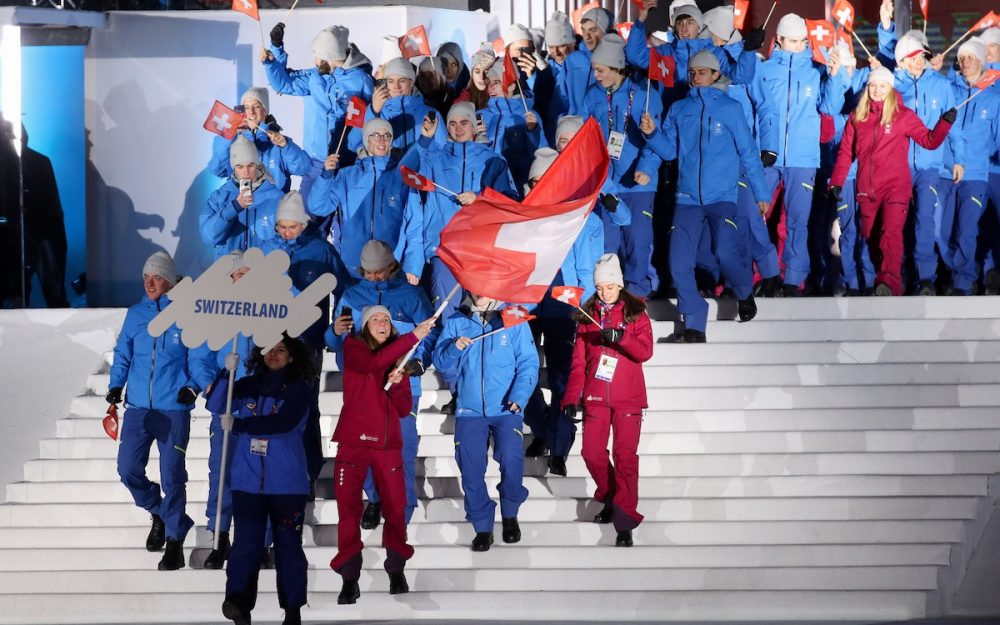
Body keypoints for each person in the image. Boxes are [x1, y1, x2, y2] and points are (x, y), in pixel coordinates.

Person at [641, 51, 769, 342]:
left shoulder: (731, 108)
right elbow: (670, 150)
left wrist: (761, 191)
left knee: (725, 251)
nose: (696, 76)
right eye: (693, 71)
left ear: (715, 76)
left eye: (703, 71)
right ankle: (695, 323)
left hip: (722, 196)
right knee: (677, 262)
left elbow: (749, 153)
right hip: (686, 198)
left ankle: (744, 291)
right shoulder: (679, 109)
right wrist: (651, 134)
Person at [107, 251, 214, 570]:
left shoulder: (188, 313)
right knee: (128, 469)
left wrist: (193, 385)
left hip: (172, 409)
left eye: (156, 277)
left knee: (172, 475)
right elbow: (123, 353)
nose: (150, 283)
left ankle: (175, 542)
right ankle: (160, 512)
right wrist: (116, 384)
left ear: (170, 279)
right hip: (138, 409)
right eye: (146, 277)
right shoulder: (136, 314)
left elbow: (199, 356)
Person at [324, 240, 439, 527]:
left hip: (402, 387)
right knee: (365, 449)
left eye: (379, 271)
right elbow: (338, 341)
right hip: (362, 391)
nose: (373, 277)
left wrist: (419, 363)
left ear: (393, 265)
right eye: (368, 272)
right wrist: (333, 332)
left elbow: (430, 333)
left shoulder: (412, 295)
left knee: (402, 448)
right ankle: (375, 499)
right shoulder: (351, 295)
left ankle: (402, 509)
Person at [330, 306, 435, 604]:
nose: (383, 323)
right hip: (353, 442)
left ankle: (396, 568)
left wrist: (400, 384)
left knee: (396, 507)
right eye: (376, 319)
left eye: (387, 319)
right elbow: (370, 363)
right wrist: (414, 336)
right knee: (348, 510)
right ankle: (350, 577)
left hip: (387, 444)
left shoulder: (398, 358)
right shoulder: (354, 346)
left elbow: (402, 409)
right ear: (365, 326)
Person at [214, 334, 316, 625]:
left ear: (292, 356)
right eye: (269, 348)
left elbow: (283, 424)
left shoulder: (299, 389)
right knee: (245, 544)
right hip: (247, 482)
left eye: (281, 349)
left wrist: (240, 425)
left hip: (286, 483)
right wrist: (226, 373)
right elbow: (216, 404)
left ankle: (293, 609)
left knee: (288, 548)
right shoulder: (247, 385)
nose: (274, 353)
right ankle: (238, 603)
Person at [829, 67, 955, 296]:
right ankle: (888, 280)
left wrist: (944, 124)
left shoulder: (902, 115)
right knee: (872, 237)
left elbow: (929, 141)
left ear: (890, 89)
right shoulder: (857, 117)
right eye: (873, 86)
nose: (877, 90)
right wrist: (837, 181)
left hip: (896, 187)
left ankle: (888, 281)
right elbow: (846, 153)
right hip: (867, 190)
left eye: (882, 86)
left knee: (891, 232)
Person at [433, 292, 539, 552]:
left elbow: (528, 362)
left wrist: (519, 396)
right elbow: (439, 360)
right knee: (470, 469)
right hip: (470, 410)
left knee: (512, 459)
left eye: (485, 288)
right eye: (475, 288)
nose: (480, 294)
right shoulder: (457, 320)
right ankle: (482, 526)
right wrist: (452, 347)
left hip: (506, 407)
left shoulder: (513, 318)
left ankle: (510, 512)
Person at [560, 253, 653, 548]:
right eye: (600, 287)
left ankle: (624, 519)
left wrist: (620, 337)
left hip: (628, 399)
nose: (604, 292)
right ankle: (611, 495)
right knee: (591, 453)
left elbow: (645, 351)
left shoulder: (636, 312)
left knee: (626, 458)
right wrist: (570, 398)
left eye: (610, 286)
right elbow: (578, 363)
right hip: (596, 395)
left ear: (620, 284)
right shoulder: (586, 317)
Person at [521, 148, 603, 474]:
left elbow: (590, 267)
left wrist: (585, 307)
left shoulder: (584, 218)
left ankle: (559, 448)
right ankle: (543, 429)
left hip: (566, 307)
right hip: (526, 305)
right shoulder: (521, 218)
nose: (541, 187)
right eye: (535, 182)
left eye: (547, 180)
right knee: (522, 377)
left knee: (563, 381)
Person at [755, 12, 846, 296]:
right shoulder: (764, 70)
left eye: (801, 41)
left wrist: (834, 76)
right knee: (756, 217)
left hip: (803, 159)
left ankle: (793, 279)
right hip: (767, 157)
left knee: (797, 221)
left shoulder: (816, 71)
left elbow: (830, 107)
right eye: (792, 41)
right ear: (779, 39)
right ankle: (762, 275)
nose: (798, 45)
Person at [413, 102, 517, 324]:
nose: (458, 128)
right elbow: (410, 174)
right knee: (445, 312)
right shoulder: (435, 157)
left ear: (474, 126)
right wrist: (425, 140)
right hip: (443, 248)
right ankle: (448, 353)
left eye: (463, 122)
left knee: (479, 314)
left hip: (480, 248)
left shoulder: (493, 160)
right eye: (452, 123)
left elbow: (509, 201)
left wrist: (479, 197)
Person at [585, 33, 662, 298]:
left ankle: (637, 295)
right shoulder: (593, 98)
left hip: (639, 183)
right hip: (608, 185)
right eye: (594, 69)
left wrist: (647, 168)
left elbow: (657, 142)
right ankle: (609, 297)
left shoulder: (643, 97)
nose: (596, 75)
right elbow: (585, 139)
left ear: (617, 67)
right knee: (609, 245)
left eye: (601, 70)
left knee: (637, 244)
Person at [263, 24, 374, 206]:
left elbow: (371, 119)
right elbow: (283, 83)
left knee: (344, 223)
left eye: (318, 56)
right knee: (307, 220)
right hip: (316, 163)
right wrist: (275, 51)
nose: (315, 61)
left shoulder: (362, 81)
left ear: (330, 56)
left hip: (348, 163)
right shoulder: (314, 78)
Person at [889, 35, 963, 295]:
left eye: (922, 56)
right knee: (897, 222)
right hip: (897, 166)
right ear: (902, 61)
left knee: (925, 218)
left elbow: (953, 128)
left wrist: (958, 160)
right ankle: (895, 277)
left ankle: (926, 278)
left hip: (930, 166)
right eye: (914, 58)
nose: (920, 61)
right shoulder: (892, 86)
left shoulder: (941, 85)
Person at [308, 118, 424, 283]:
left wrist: (412, 267)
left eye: (386, 135)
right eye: (375, 135)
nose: (382, 139)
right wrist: (326, 175)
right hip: (353, 268)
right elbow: (318, 207)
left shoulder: (402, 177)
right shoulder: (347, 175)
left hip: (390, 268)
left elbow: (415, 226)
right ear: (366, 141)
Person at [202, 251, 255, 570]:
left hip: (256, 403)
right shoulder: (214, 314)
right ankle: (219, 538)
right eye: (238, 275)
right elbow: (199, 354)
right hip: (226, 401)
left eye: (249, 275)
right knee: (221, 471)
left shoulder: (266, 310)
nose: (243, 281)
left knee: (257, 475)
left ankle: (257, 541)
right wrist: (210, 379)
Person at [943, 40, 1000, 295]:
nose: (965, 62)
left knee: (967, 230)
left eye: (971, 57)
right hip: (947, 171)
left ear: (981, 61)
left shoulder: (993, 96)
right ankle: (960, 269)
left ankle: (963, 282)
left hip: (977, 172)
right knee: (940, 232)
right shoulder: (948, 89)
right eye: (962, 57)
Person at [208, 87, 311, 194]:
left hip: (274, 207)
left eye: (256, 107)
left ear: (265, 111)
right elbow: (218, 170)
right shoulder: (234, 142)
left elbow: (303, 168)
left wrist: (286, 146)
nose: (251, 112)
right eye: (247, 107)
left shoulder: (279, 142)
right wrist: (228, 137)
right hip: (243, 207)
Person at [200, 136, 283, 259]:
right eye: (240, 167)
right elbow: (209, 236)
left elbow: (285, 238)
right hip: (229, 272)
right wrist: (233, 208)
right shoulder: (220, 196)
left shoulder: (276, 197)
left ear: (258, 165)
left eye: (250, 165)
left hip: (262, 270)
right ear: (233, 167)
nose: (246, 172)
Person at [480, 57, 547, 191]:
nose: (491, 87)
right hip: (487, 187)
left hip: (518, 187)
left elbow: (542, 153)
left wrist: (532, 132)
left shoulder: (528, 115)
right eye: (489, 82)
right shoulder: (481, 116)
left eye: (496, 82)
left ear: (511, 85)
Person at [360, 58, 447, 153]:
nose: (396, 86)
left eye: (402, 81)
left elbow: (444, 151)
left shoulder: (431, 114)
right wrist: (373, 111)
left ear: (411, 82)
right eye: (391, 81)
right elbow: (357, 145)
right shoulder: (377, 112)